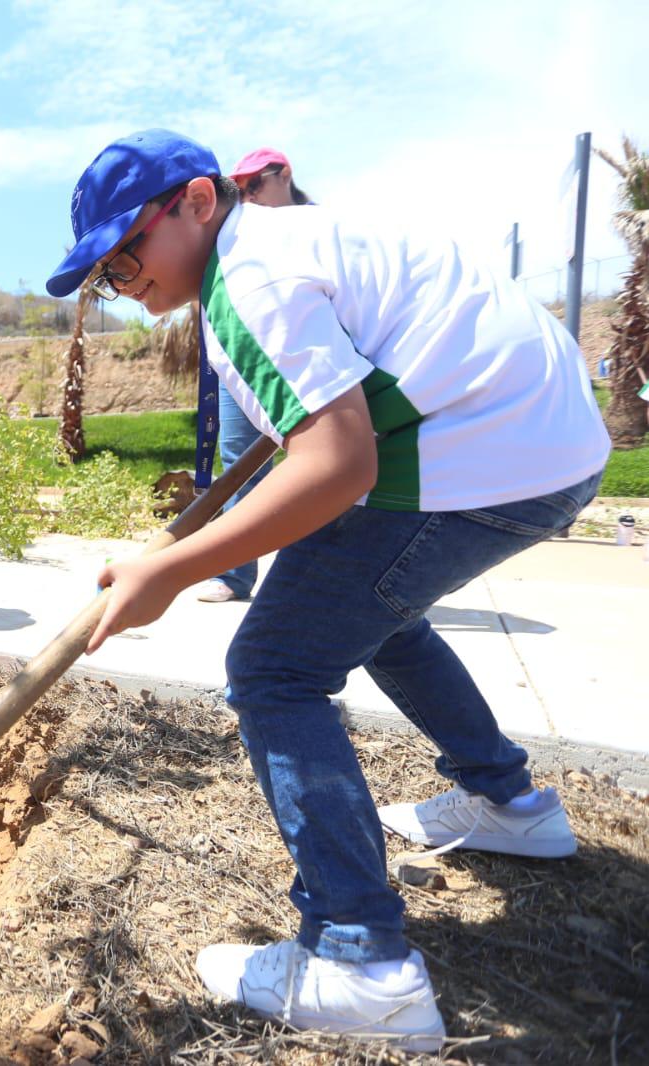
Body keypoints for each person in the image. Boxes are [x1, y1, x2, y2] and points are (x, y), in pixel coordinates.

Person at [48, 129, 608, 1051]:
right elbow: (328, 426)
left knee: (274, 667)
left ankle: (359, 963)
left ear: (195, 201)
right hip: (537, 443)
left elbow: (338, 465)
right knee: (373, 618)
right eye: (105, 275)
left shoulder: (249, 279)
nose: (122, 281)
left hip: (487, 450)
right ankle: (509, 806)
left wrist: (170, 569)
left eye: (124, 252)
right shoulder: (287, 242)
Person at [194, 147, 315, 603]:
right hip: (246, 353)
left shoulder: (317, 227)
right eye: (237, 189)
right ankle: (234, 574)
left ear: (283, 174)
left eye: (251, 185)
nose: (243, 196)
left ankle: (311, 578)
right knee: (239, 460)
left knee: (322, 462)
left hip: (303, 352)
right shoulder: (237, 239)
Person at [229, 147, 314, 207]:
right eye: (241, 194)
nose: (248, 199)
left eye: (254, 184)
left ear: (285, 176)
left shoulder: (321, 221)